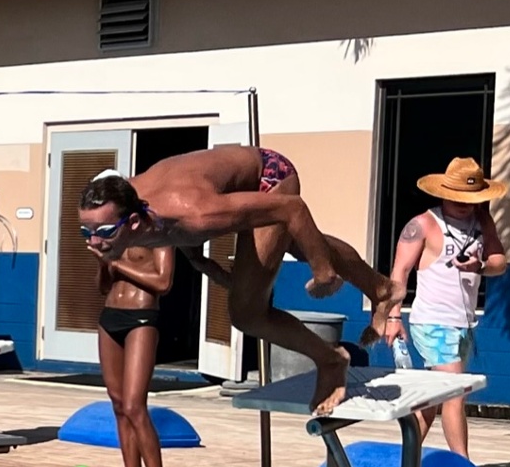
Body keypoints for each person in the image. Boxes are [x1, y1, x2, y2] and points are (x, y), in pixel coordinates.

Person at [77, 144, 394, 416]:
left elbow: (292, 208)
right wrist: (200, 260)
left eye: (102, 233)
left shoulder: (197, 214)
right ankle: (381, 289)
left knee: (247, 313)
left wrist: (322, 270)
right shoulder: (126, 205)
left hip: (269, 177)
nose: (93, 242)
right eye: (86, 232)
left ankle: (331, 360)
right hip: (214, 186)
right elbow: (165, 227)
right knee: (301, 240)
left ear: (132, 222)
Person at [382, 158, 508, 460]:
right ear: (443, 192)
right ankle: (462, 466)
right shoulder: (423, 224)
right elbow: (400, 271)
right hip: (432, 322)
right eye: (457, 197)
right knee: (454, 392)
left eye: (470, 198)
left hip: (463, 323)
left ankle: (404, 461)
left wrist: (480, 266)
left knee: (433, 400)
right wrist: (393, 316)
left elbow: (499, 262)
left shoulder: (482, 221)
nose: (464, 205)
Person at [94, 208, 174, 467]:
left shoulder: (157, 235)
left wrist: (116, 263)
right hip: (110, 317)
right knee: (118, 405)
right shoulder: (111, 239)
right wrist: (103, 263)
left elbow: (164, 283)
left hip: (141, 318)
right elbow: (103, 286)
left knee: (134, 405)